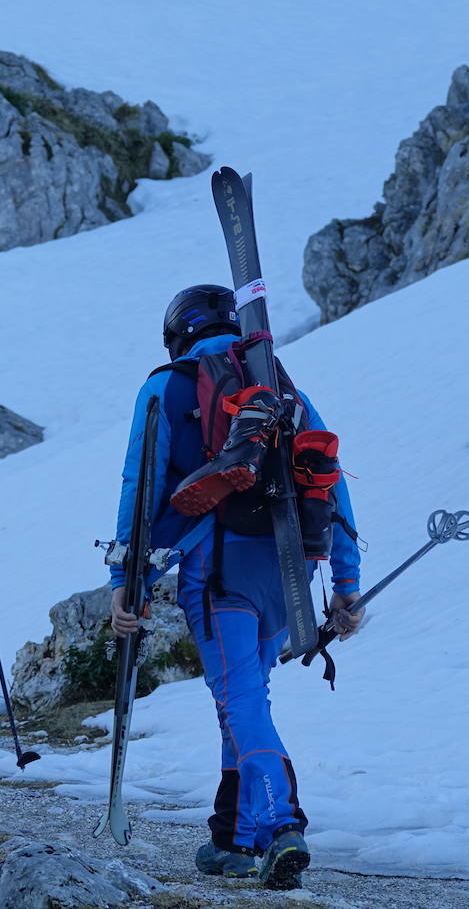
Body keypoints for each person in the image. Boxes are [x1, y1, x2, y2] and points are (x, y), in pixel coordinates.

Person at [108, 284, 363, 890]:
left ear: (178, 334)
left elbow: (137, 488)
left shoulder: (166, 387)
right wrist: (346, 583)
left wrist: (128, 578)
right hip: (289, 569)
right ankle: (236, 839)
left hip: (217, 568)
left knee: (239, 699)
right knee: (247, 697)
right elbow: (332, 478)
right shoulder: (280, 381)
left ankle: (281, 825)